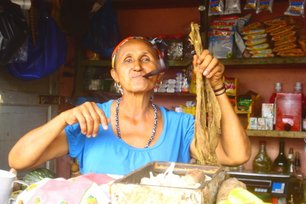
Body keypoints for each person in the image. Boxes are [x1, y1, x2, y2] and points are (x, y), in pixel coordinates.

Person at [8, 36, 250, 175]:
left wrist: (218, 87)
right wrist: (62, 119)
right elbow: (18, 160)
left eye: (146, 59)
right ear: (115, 75)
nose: (137, 66)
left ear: (158, 76)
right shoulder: (91, 123)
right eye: (128, 60)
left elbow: (236, 155)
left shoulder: (181, 127)